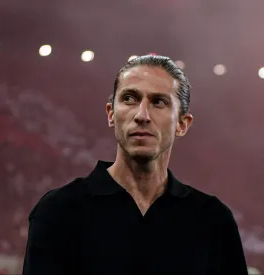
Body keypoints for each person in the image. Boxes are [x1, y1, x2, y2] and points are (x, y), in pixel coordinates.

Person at [22, 55, 248, 275]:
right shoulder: (58, 211)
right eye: (130, 98)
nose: (142, 115)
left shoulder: (213, 220)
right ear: (111, 114)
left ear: (182, 124)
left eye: (159, 102)